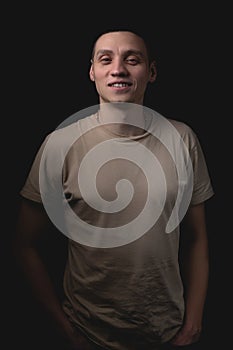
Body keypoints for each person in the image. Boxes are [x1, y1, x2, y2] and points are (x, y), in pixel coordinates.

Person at [13, 29, 214, 350]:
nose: (118, 68)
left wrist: (193, 323)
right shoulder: (60, 144)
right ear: (92, 71)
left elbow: (198, 238)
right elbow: (25, 245)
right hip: (87, 332)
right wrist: (64, 329)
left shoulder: (182, 138)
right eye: (105, 59)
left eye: (132, 59)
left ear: (152, 72)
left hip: (167, 333)